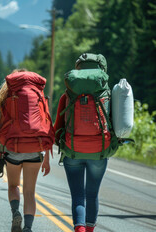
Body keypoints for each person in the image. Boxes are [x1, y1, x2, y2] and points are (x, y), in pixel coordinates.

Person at [54, 53, 112, 232]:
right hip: (100, 150)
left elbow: (58, 127)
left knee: (78, 195)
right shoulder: (107, 95)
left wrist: (59, 142)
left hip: (73, 150)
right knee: (92, 194)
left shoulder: (68, 95)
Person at [0, 69, 53, 232]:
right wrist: (47, 158)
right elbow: (46, 123)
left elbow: (0, 123)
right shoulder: (39, 94)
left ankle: (15, 213)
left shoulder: (7, 94)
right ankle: (28, 228)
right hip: (36, 148)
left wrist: (0, 149)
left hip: (13, 148)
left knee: (13, 185)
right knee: (30, 192)